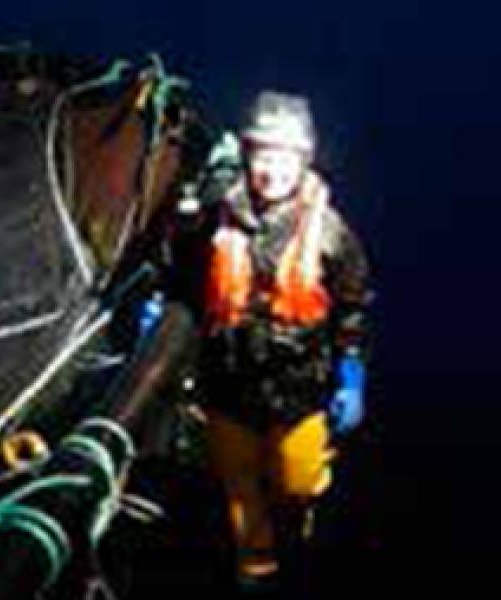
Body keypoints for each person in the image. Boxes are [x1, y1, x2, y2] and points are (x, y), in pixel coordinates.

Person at [135, 90, 372, 591]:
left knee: (297, 482)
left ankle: (299, 517)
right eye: (263, 154)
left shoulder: (330, 233)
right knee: (238, 486)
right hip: (228, 385)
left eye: (284, 157)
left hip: (298, 389)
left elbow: (352, 302)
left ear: (303, 161)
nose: (272, 169)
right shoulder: (217, 215)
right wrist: (156, 301)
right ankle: (255, 568)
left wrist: (351, 367)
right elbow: (180, 268)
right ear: (247, 155)